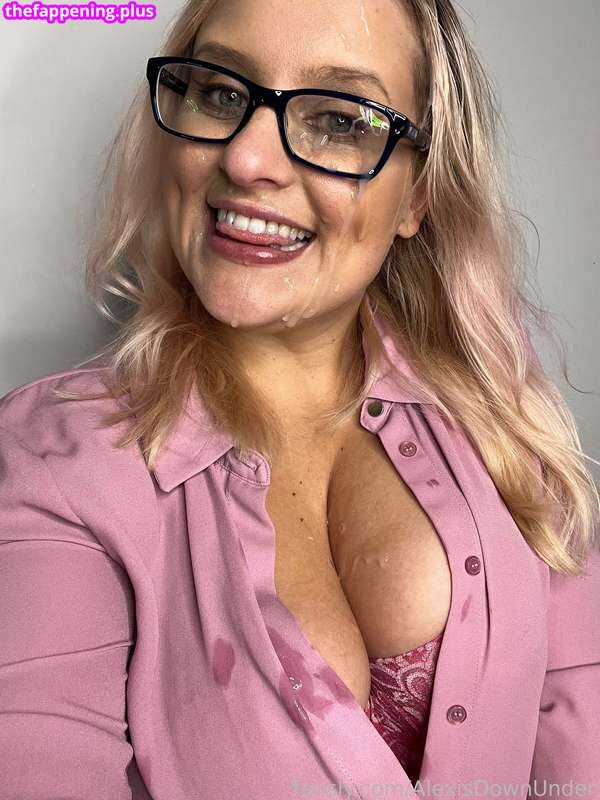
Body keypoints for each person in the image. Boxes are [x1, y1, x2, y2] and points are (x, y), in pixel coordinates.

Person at [1, 0, 599, 798]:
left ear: (417, 195)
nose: (248, 158)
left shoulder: (498, 407)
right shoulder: (53, 463)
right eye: (220, 93)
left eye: (341, 120)